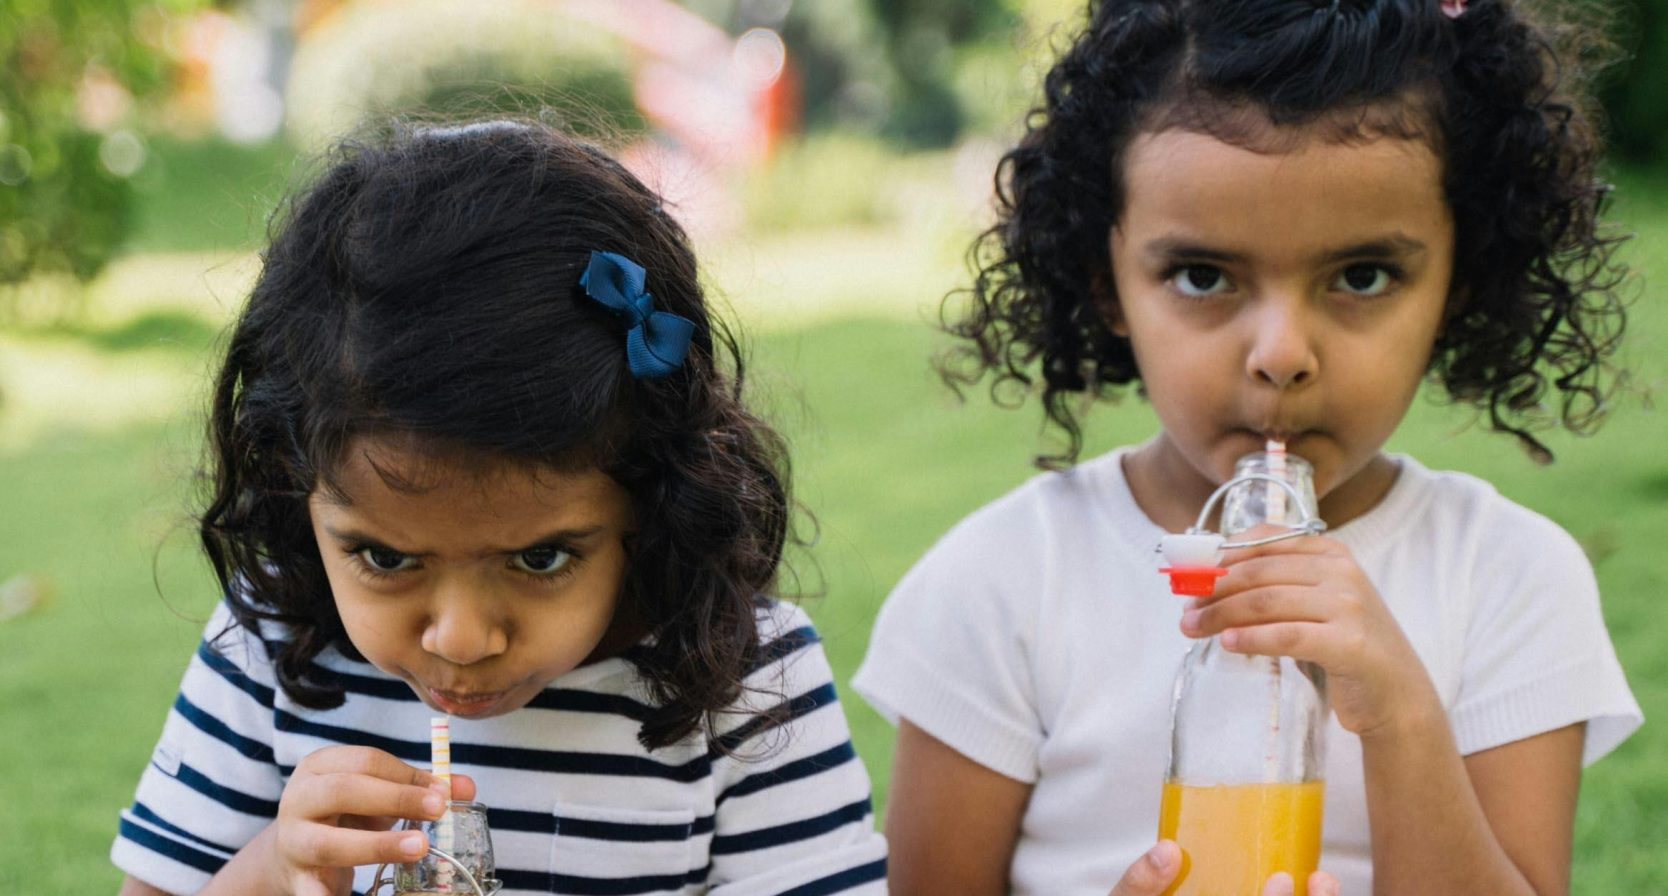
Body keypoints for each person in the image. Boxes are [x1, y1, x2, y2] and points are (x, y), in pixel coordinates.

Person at [852, 0, 1643, 893]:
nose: (1281, 354)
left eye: (1362, 276)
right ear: (1105, 283)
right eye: (1203, 276)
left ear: (1460, 282)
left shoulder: (1507, 577)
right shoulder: (1004, 580)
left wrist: (1400, 712)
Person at [111, 119, 887, 896]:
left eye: (540, 558)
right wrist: (275, 873)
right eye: (384, 557)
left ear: (651, 496)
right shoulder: (271, 648)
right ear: (294, 484)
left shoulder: (746, 679)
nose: (462, 638)